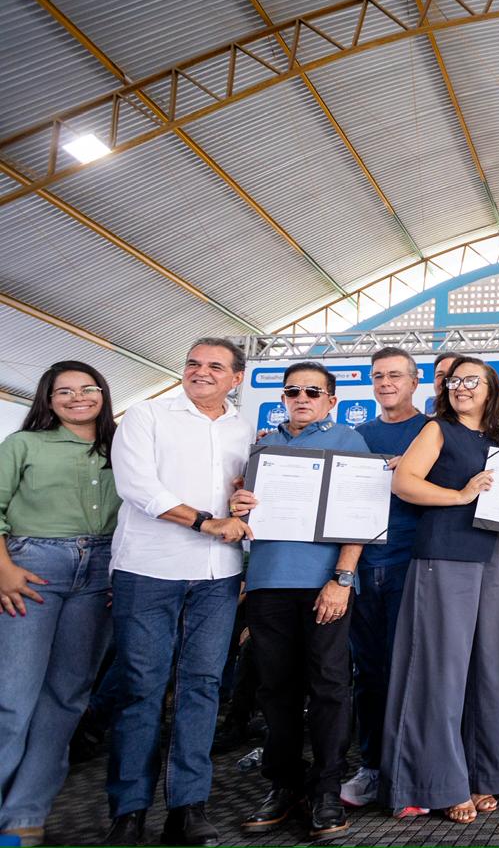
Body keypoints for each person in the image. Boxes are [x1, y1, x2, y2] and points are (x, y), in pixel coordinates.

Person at [104, 338, 255, 846]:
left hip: (218, 576)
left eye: (215, 366)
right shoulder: (146, 415)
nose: (200, 372)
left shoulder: (244, 428)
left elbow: (245, 496)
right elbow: (136, 486)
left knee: (203, 687)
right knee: (140, 689)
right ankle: (128, 812)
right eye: (193, 363)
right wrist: (204, 521)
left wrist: (245, 502)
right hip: (148, 569)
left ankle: (188, 808)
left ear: (236, 378)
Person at [381, 357, 499, 823]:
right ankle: (437, 784)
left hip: (495, 556)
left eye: (472, 381)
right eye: (455, 380)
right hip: (445, 555)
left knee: (490, 670)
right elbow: (404, 483)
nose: (461, 387)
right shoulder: (437, 429)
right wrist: (461, 495)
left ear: (491, 390)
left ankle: (482, 775)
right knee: (440, 672)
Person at [235, 362, 368, 839]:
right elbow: (239, 514)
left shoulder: (350, 440)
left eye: (313, 392)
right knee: (276, 690)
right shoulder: (260, 448)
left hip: (324, 584)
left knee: (329, 686)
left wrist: (343, 578)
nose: (302, 398)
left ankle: (326, 789)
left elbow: (361, 513)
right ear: (283, 398)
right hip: (267, 582)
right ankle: (285, 785)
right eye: (293, 391)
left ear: (332, 400)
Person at [0, 362, 119, 847]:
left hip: (101, 572)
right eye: (63, 391)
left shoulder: (121, 447)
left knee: (66, 698)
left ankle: (24, 815)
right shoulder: (22, 444)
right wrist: (3, 569)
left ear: (103, 394)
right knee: (12, 697)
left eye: (88, 388)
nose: (77, 397)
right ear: (47, 399)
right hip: (31, 568)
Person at [340, 348, 427, 808]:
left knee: (410, 671)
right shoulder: (357, 436)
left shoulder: (432, 432)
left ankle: (411, 776)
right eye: (378, 376)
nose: (386, 383)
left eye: (395, 375)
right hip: (363, 568)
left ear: (415, 381)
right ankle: (372, 767)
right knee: (369, 673)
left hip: (412, 565)